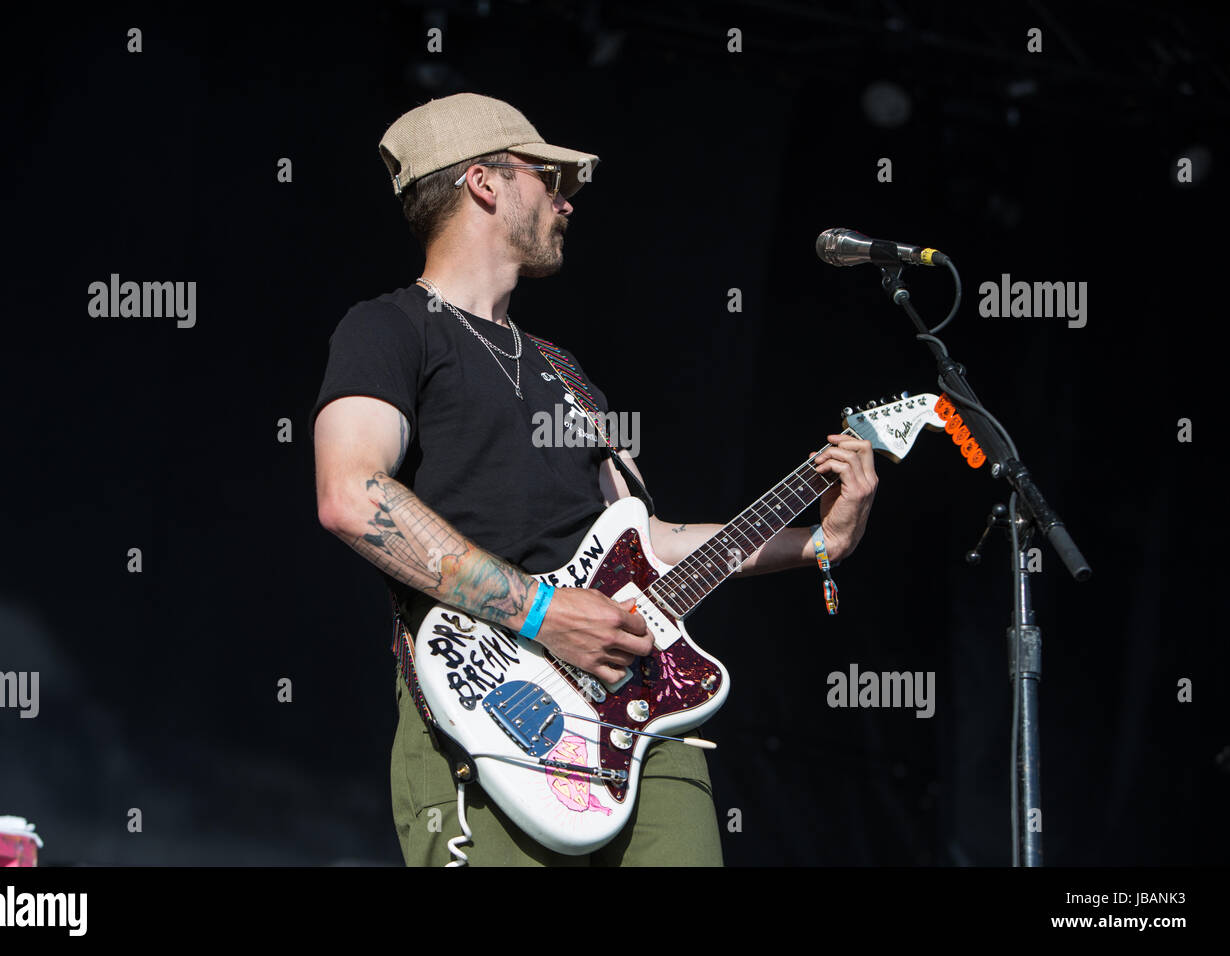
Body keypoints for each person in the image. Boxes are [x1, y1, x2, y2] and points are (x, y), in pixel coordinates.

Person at [311, 92, 878, 866]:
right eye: (548, 178)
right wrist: (543, 613)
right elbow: (351, 496)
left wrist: (820, 541)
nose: (567, 199)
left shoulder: (566, 374)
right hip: (489, 707)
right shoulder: (388, 328)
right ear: (484, 183)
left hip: (644, 713)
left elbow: (652, 544)